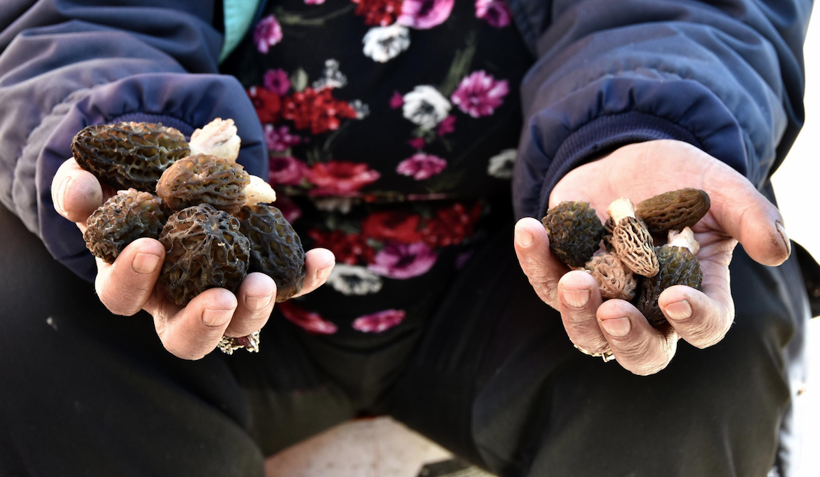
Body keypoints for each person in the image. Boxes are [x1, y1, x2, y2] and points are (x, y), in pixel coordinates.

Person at [0, 0, 816, 475]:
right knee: (20, 308)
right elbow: (73, 15)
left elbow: (695, 10)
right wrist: (120, 128)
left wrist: (640, 125)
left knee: (710, 324)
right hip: (226, 295)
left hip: (516, 277)